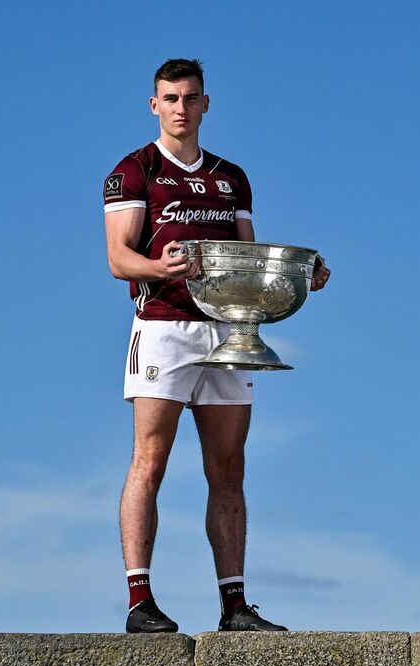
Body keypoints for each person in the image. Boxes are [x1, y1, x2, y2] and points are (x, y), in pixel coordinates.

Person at [102, 58, 331, 634]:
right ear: (154, 105)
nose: (181, 108)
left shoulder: (232, 177)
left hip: (228, 331)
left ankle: (234, 605)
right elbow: (118, 258)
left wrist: (299, 276)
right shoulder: (134, 170)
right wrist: (160, 267)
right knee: (150, 460)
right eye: (170, 98)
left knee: (229, 468)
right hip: (163, 326)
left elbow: (250, 259)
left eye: (190, 98)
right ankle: (139, 600)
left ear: (206, 104)